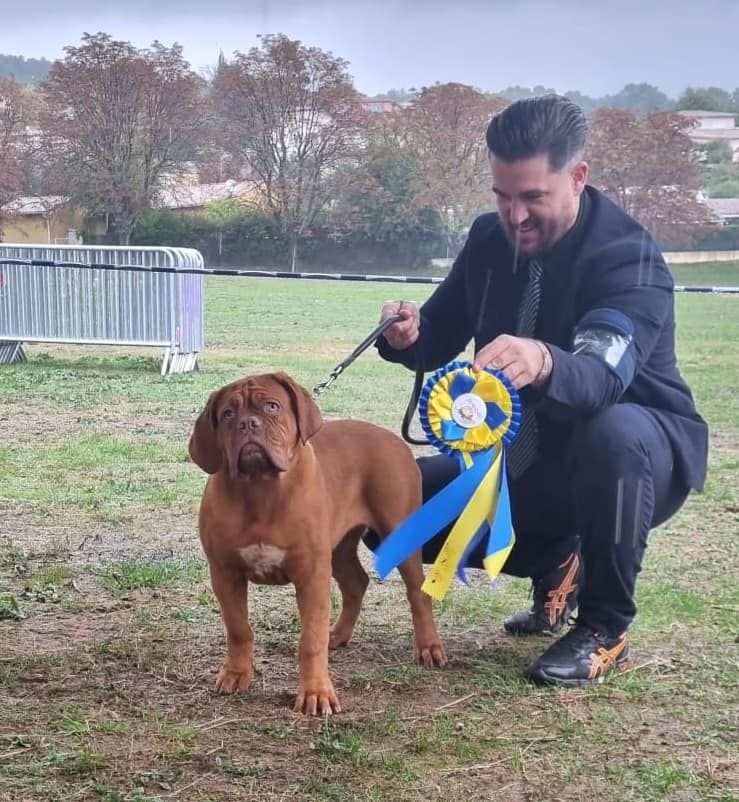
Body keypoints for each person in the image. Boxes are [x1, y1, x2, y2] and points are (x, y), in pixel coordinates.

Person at [373, 94, 708, 687]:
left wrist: (544, 358)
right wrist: (406, 335)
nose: (516, 217)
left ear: (578, 178)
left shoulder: (628, 257)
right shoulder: (486, 239)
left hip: (636, 459)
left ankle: (606, 628)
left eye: (532, 197)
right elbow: (439, 336)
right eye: (503, 196)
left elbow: (604, 377)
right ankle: (557, 556)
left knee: (614, 430)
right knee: (383, 505)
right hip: (523, 460)